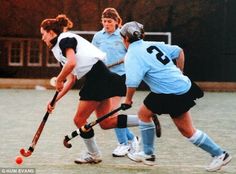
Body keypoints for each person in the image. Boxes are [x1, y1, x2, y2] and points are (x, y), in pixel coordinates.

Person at [120, 21, 232, 171]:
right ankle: (148, 154)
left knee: (186, 130)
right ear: (142, 35)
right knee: (145, 114)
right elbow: (179, 51)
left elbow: (132, 82)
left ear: (125, 39)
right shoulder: (151, 44)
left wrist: (128, 100)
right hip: (179, 86)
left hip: (170, 92)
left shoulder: (131, 55)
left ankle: (220, 154)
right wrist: (180, 71)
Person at [40, 14, 141, 164]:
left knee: (79, 119)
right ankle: (145, 119)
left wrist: (59, 79)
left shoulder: (65, 39)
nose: (42, 38)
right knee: (106, 123)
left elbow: (72, 63)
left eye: (43, 34)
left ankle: (94, 154)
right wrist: (54, 100)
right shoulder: (57, 49)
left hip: (97, 77)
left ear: (50, 32)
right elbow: (72, 79)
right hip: (100, 77)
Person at [92, 7, 161, 157]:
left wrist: (128, 57)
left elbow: (135, 51)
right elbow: (94, 55)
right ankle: (131, 138)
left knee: (111, 113)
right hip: (103, 78)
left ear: (117, 22)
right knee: (107, 117)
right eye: (104, 21)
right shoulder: (98, 37)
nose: (106, 24)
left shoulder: (124, 35)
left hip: (120, 78)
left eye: (109, 21)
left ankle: (124, 144)